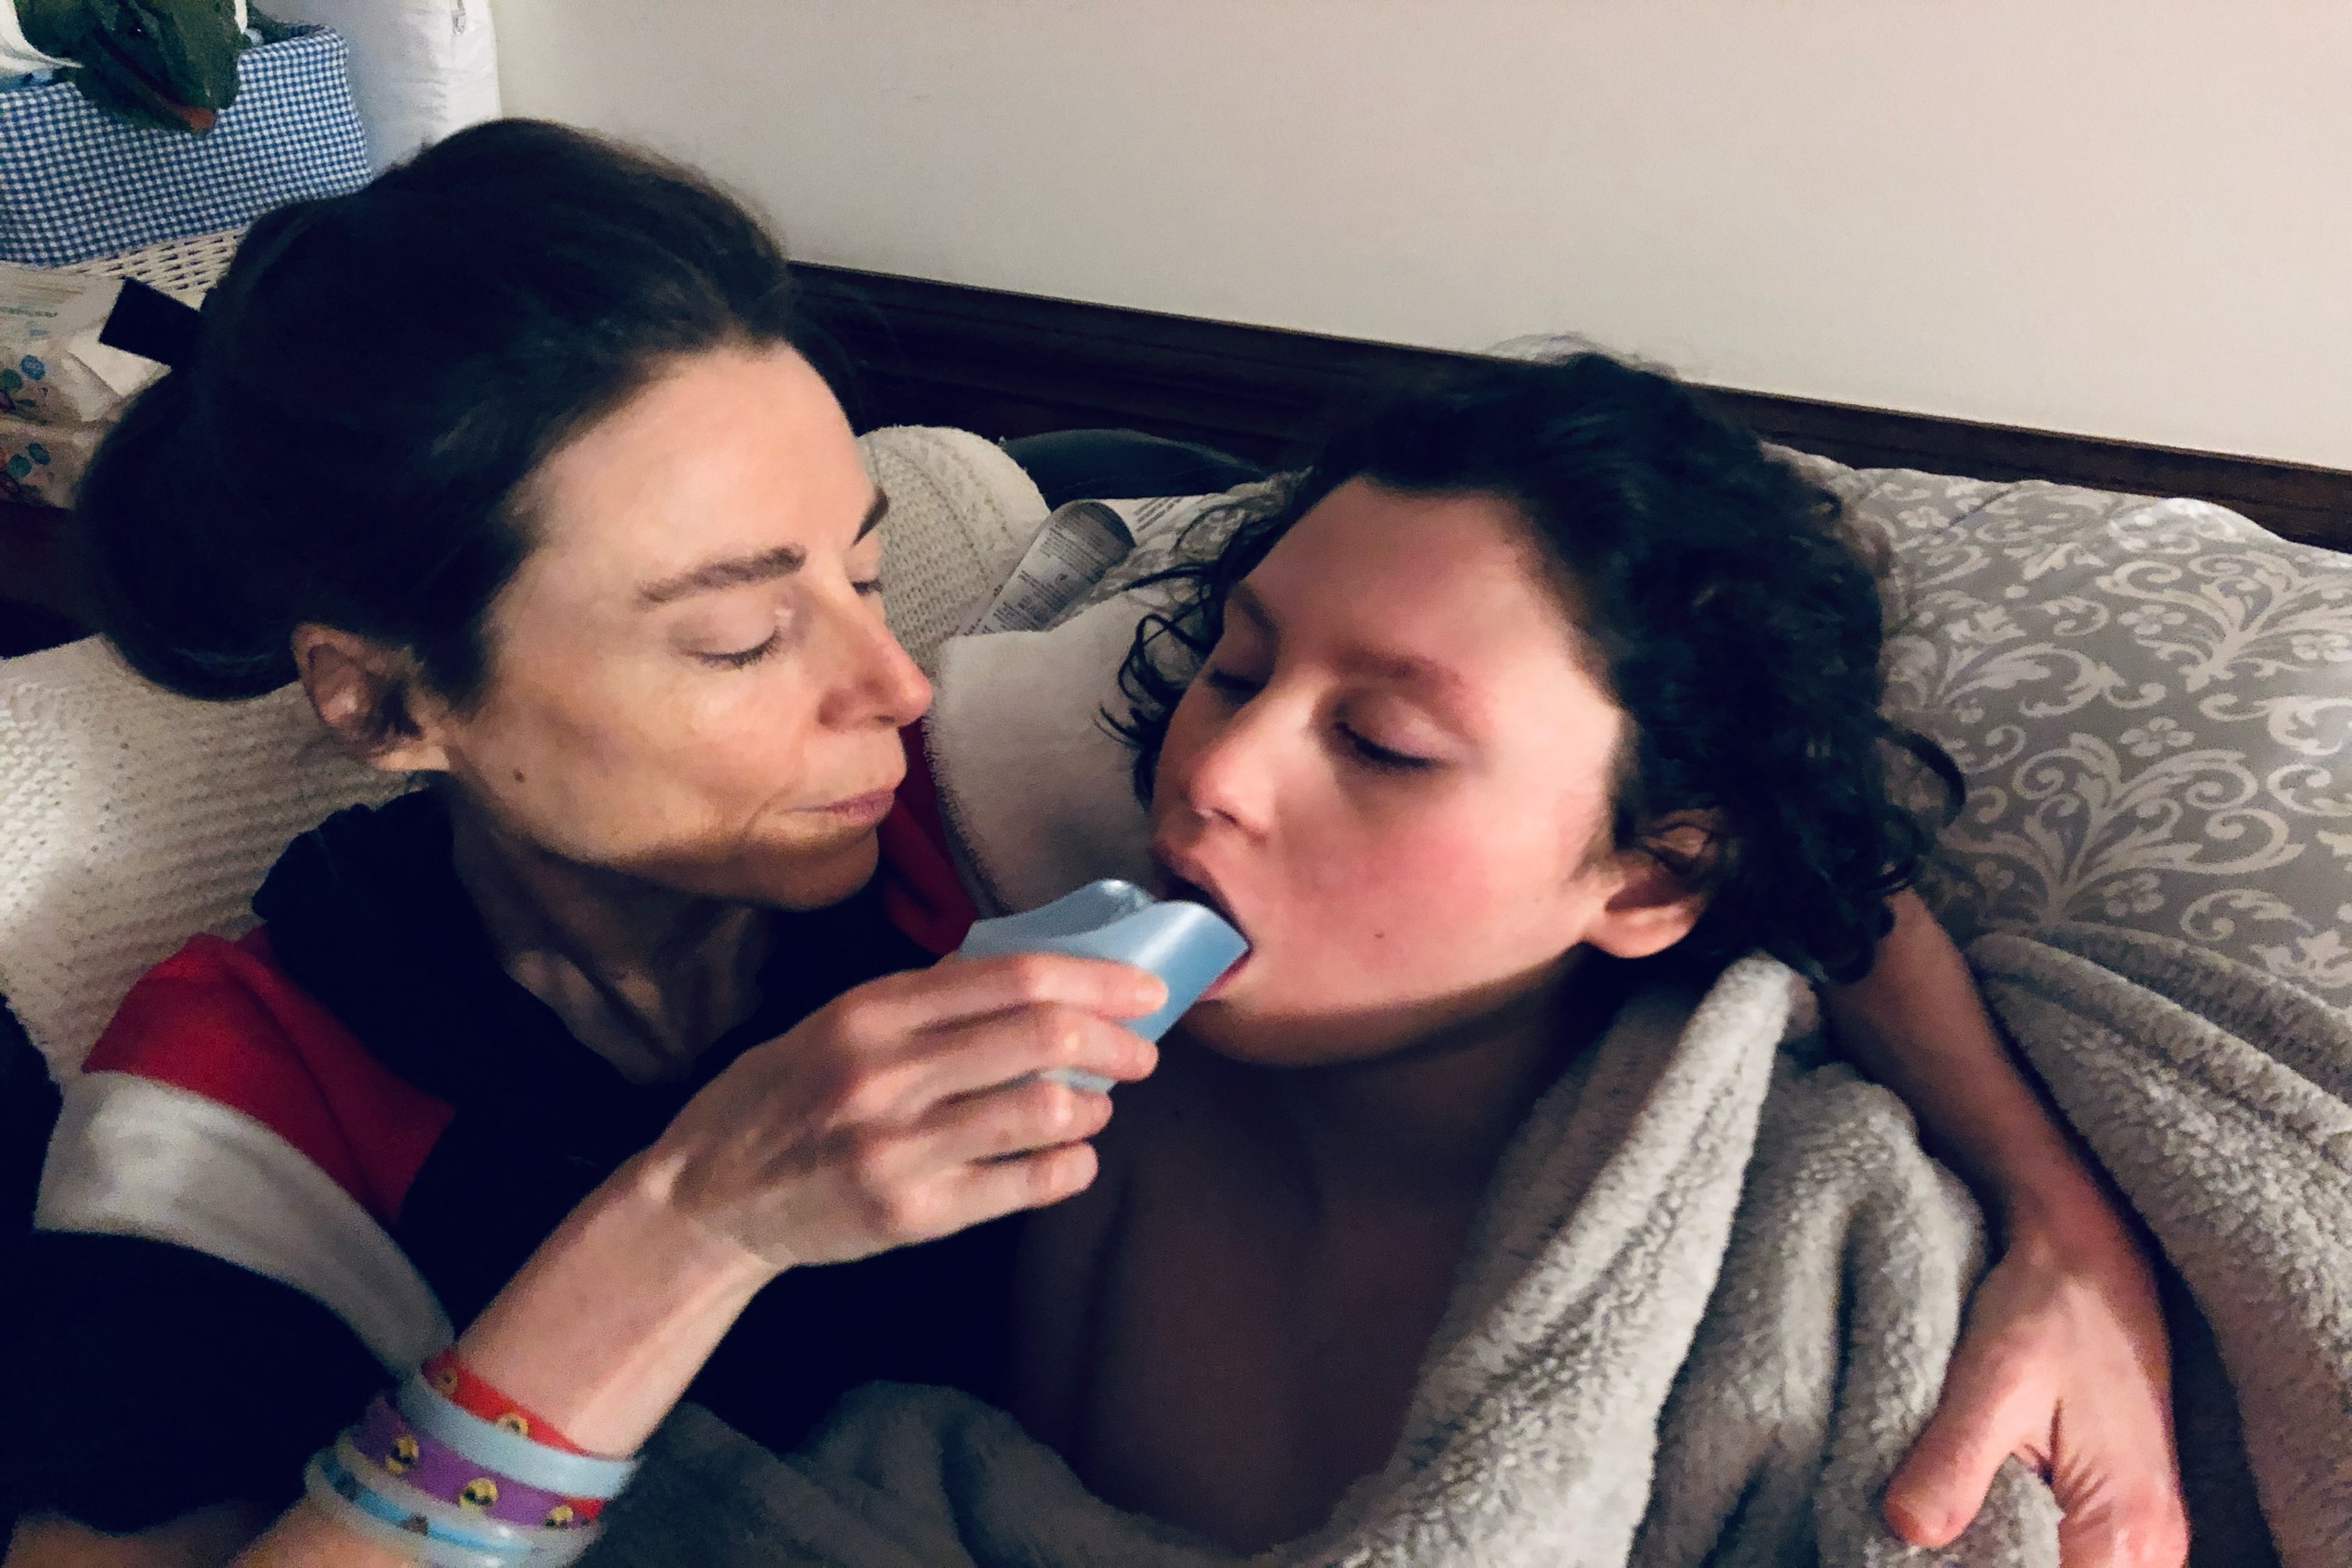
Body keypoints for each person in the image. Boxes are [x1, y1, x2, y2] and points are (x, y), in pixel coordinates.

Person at [2, 126, 2174, 1567]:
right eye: (750, 633)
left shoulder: (989, 818)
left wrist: (2067, 1222)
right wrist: (686, 1224)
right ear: (384, 699)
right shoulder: (233, 1110)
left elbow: (1719, 819)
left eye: (865, 562)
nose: (896, 681)